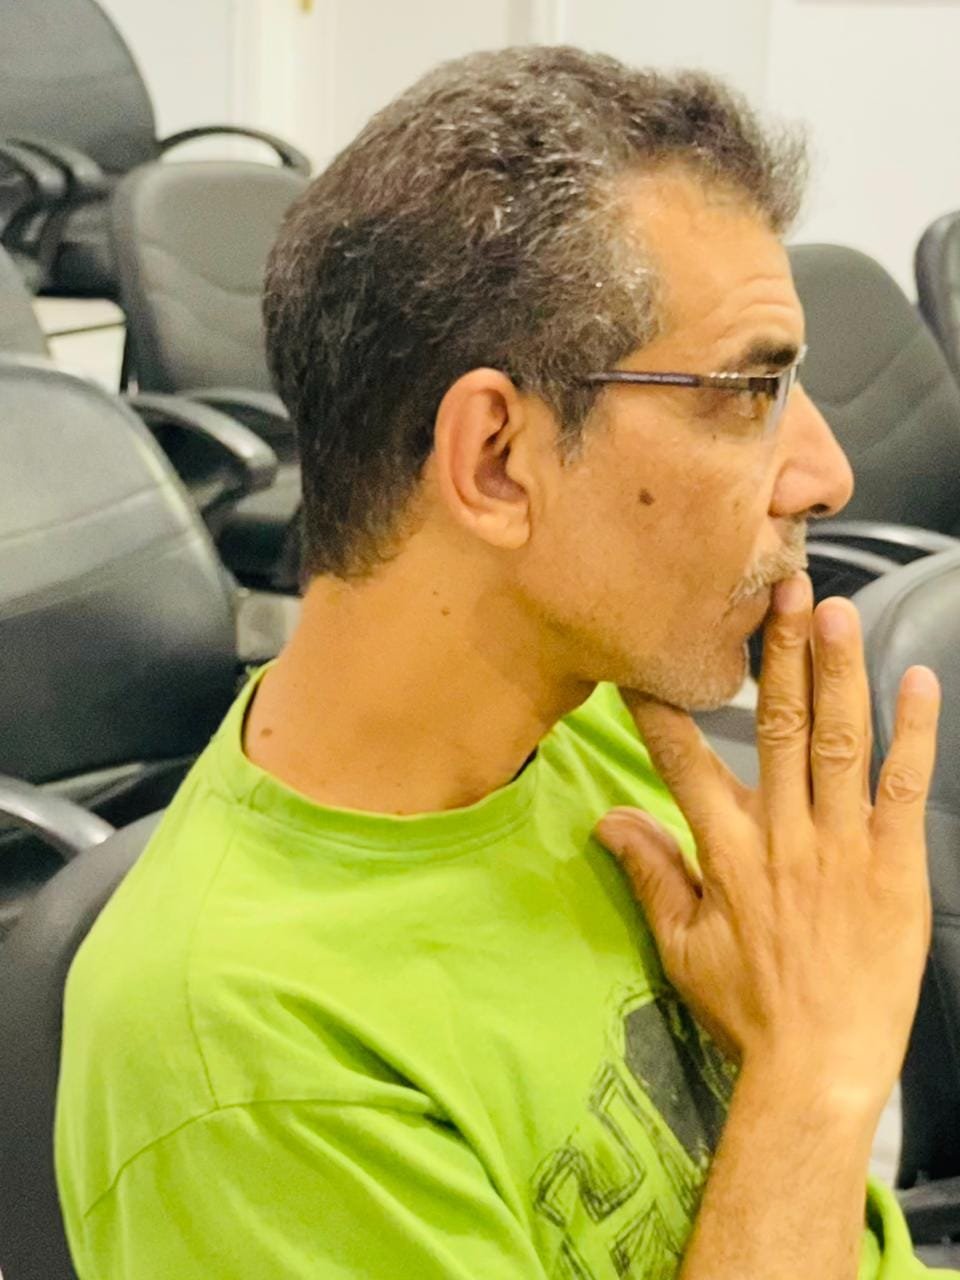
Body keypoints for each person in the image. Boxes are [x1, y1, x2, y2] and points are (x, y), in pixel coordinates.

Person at [55, 45, 949, 1280]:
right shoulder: (245, 1063)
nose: (827, 474)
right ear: (495, 461)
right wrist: (819, 1066)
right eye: (750, 392)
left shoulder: (592, 721)